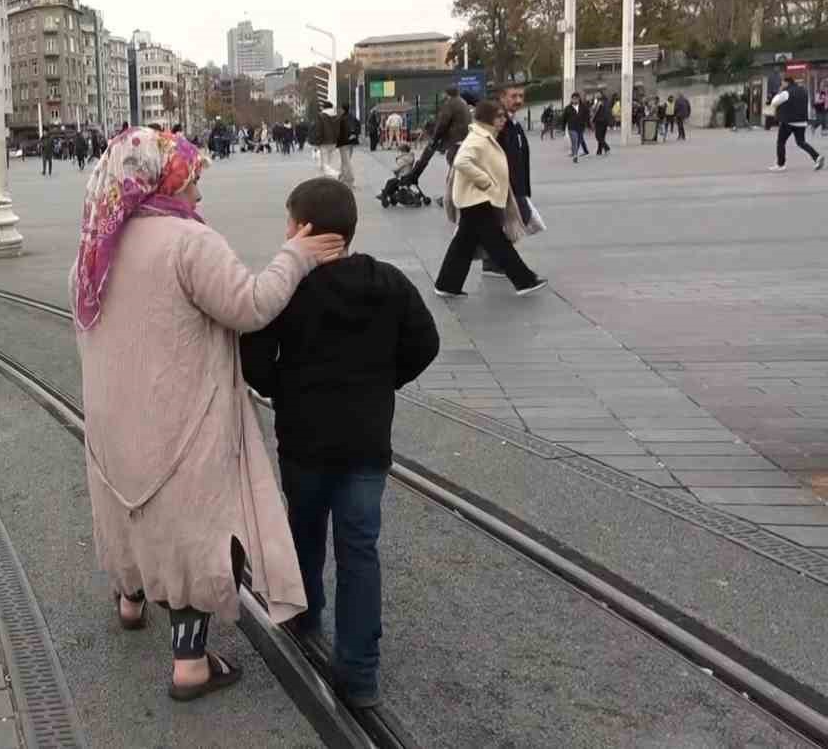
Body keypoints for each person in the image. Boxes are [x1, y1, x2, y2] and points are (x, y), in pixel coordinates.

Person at [70, 127, 345, 703]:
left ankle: (129, 599)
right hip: (181, 414)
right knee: (192, 525)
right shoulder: (188, 242)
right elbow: (249, 306)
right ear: (165, 178)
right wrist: (295, 255)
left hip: (114, 416)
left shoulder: (97, 243)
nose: (198, 194)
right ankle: (190, 663)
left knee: (128, 506)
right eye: (193, 179)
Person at [240, 178, 439, 708]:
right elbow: (426, 343)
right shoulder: (387, 282)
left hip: (304, 442)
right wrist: (381, 383)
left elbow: (254, 360)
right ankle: (359, 674)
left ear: (301, 229)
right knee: (359, 550)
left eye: (289, 222)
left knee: (304, 532)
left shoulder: (287, 289)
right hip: (365, 445)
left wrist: (286, 392)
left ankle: (305, 616)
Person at [433, 100, 547, 297]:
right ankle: (524, 280)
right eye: (499, 116)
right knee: (497, 243)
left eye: (503, 116)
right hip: (477, 200)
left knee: (464, 244)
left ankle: (447, 284)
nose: (503, 120)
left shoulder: (484, 136)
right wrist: (485, 181)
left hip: (475, 199)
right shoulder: (478, 138)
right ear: (487, 118)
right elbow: (461, 161)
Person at [486, 84, 534, 277]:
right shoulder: (499, 122)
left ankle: (494, 260)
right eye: (514, 96)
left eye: (521, 96)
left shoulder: (513, 122)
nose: (518, 100)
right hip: (505, 184)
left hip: (516, 183)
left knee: (513, 219)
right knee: (516, 217)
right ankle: (497, 261)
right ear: (502, 97)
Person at [768, 75, 824, 172]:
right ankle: (817, 157)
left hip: (788, 122)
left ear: (786, 82)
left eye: (782, 83)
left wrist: (779, 92)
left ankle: (780, 164)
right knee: (801, 142)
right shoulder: (804, 91)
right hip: (801, 122)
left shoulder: (786, 92)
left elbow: (774, 102)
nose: (781, 85)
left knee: (781, 142)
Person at [430, 87, 471, 166]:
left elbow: (443, 123)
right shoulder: (463, 102)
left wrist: (435, 138)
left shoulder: (450, 103)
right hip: (466, 136)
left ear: (447, 94)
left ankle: (457, 177)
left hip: (455, 137)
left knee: (452, 159)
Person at [312, 101, 341, 179]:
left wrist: (317, 143)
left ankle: (336, 175)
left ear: (324, 108)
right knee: (329, 163)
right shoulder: (337, 116)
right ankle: (327, 179)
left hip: (324, 143)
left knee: (324, 164)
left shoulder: (321, 116)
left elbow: (319, 130)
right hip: (334, 142)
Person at [336, 103, 360, 186]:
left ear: (343, 109)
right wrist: (355, 134)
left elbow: (339, 131)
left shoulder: (342, 118)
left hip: (343, 143)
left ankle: (349, 179)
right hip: (350, 143)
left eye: (340, 109)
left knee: (346, 161)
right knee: (345, 161)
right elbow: (358, 126)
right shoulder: (352, 117)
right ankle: (342, 177)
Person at [563, 92, 590, 162]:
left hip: (581, 127)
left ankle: (575, 152)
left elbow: (587, 117)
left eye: (576, 99)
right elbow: (564, 119)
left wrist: (589, 125)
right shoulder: (568, 108)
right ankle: (575, 155)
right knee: (574, 140)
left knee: (578, 141)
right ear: (571, 99)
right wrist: (563, 128)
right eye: (573, 99)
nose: (575, 100)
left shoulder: (583, 107)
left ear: (579, 99)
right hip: (571, 128)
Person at [592, 92, 613, 156]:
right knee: (601, 137)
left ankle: (607, 148)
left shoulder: (601, 102)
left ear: (601, 95)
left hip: (600, 121)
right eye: (596, 94)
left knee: (598, 136)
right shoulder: (604, 101)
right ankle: (599, 151)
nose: (596, 95)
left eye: (597, 94)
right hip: (603, 121)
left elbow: (594, 110)